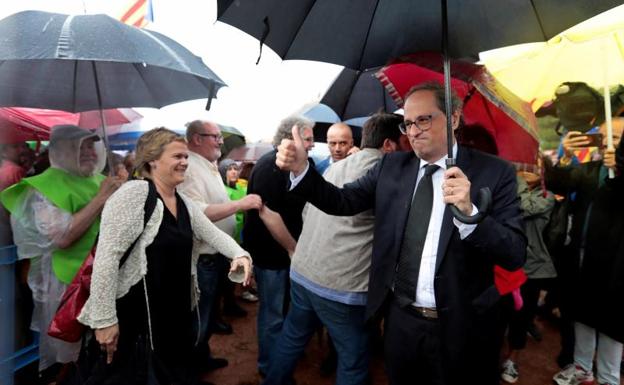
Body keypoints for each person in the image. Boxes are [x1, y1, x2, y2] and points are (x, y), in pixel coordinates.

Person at [275, 82, 526, 385]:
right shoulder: (391, 166)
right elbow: (342, 201)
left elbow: (514, 253)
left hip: (463, 324)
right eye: (408, 123)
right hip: (401, 321)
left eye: (424, 119)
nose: (415, 129)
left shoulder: (494, 172)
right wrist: (303, 170)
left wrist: (470, 214)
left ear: (454, 118)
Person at [77, 127, 253, 384]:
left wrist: (239, 254)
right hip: (138, 320)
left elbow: (212, 234)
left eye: (186, 157)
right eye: (177, 156)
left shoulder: (181, 200)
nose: (185, 162)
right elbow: (107, 257)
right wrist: (104, 320)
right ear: (152, 160)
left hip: (174, 313)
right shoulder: (133, 194)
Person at [263, 112, 403, 385]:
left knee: (292, 336)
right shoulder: (388, 177)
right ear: (388, 145)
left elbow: (307, 213)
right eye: (404, 140)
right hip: (342, 286)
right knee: (353, 357)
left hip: (304, 272)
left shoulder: (337, 167)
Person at [0, 125, 123, 384]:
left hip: (102, 275)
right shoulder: (43, 186)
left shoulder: (99, 179)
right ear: (60, 150)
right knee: (70, 354)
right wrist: (101, 199)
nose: (90, 152)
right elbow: (63, 237)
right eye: (82, 146)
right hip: (67, 282)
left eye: (92, 146)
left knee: (102, 347)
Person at [177, 120, 261, 370]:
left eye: (219, 137)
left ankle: (201, 359)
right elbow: (197, 213)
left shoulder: (207, 165)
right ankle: (191, 368)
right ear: (196, 139)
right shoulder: (190, 168)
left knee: (209, 314)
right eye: (214, 136)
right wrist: (240, 205)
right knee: (200, 317)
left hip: (215, 254)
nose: (220, 141)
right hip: (204, 257)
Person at [545, 118, 624, 369]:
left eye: (617, 138)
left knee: (612, 321)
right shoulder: (590, 169)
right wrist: (566, 157)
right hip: (581, 255)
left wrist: (621, 170)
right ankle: (581, 370)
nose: (609, 144)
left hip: (616, 265)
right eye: (604, 137)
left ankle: (609, 376)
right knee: (582, 313)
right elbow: (560, 183)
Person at [242, 115, 315, 378]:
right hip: (271, 255)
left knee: (284, 310)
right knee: (273, 314)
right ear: (290, 138)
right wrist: (294, 249)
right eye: (308, 139)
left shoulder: (301, 164)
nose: (313, 144)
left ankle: (283, 357)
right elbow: (268, 215)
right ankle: (270, 369)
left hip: (287, 252)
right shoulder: (269, 167)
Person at [500, 164, 557, 384]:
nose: (525, 173)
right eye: (522, 170)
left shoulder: (547, 197)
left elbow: (526, 207)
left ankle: (513, 359)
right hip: (505, 266)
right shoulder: (506, 190)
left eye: (530, 170)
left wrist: (516, 181)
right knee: (498, 316)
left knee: (521, 318)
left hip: (531, 270)